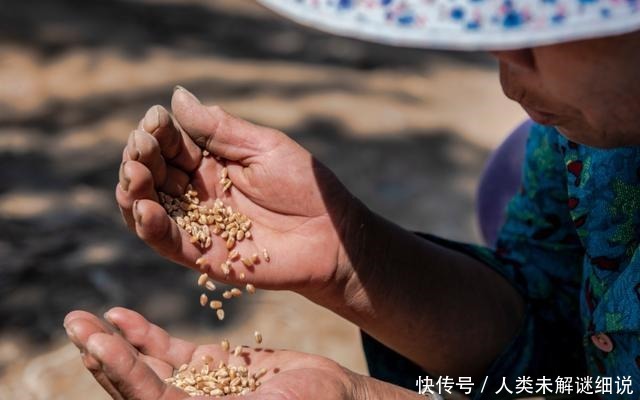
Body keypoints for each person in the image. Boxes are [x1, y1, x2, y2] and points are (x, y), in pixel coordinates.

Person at [64, 1, 640, 399]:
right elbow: (564, 347)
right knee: (505, 180)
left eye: (546, 20)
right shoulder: (589, 145)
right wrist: (352, 255)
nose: (509, 71)